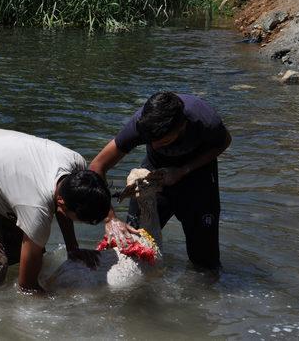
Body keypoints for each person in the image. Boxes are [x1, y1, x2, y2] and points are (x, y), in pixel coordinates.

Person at [0, 128, 113, 292]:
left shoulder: (77, 166)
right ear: (62, 202)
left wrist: (73, 249)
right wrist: (55, 304)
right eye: (79, 219)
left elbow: (62, 209)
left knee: (20, 255)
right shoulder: (36, 207)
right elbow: (27, 286)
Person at [90, 92, 231, 270]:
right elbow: (97, 166)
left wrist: (183, 170)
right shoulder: (141, 124)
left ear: (182, 127)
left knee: (205, 264)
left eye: (163, 141)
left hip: (198, 176)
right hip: (154, 177)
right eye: (150, 141)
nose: (155, 146)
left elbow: (224, 141)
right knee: (133, 249)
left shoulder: (205, 121)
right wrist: (110, 218)